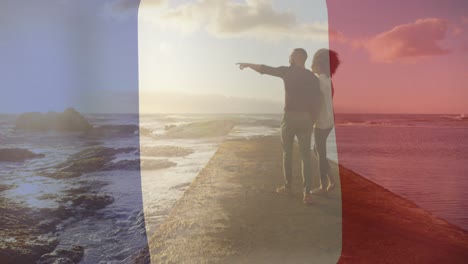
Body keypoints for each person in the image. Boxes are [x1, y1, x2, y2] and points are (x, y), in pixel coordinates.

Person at [236, 48, 321, 204]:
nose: (289, 57)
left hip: (290, 117)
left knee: (287, 153)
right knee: (305, 157)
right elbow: (318, 100)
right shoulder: (312, 77)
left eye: (291, 55)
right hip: (306, 118)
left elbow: (265, 69)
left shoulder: (287, 71)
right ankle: (307, 194)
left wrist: (248, 64)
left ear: (296, 57)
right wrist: (312, 119)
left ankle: (288, 187)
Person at [310, 48, 341, 195]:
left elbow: (316, 102)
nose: (311, 67)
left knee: (320, 153)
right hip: (330, 119)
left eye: (313, 63)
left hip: (321, 120)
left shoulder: (318, 81)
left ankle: (323, 186)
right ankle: (331, 181)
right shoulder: (330, 81)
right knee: (318, 150)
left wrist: (310, 119)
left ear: (320, 65)